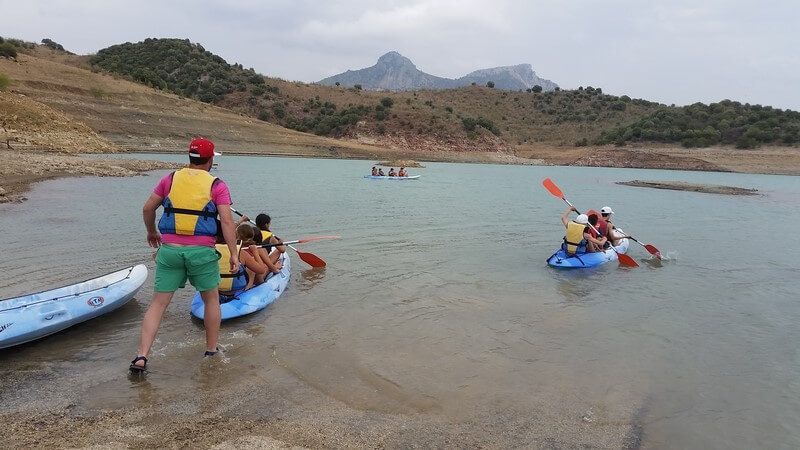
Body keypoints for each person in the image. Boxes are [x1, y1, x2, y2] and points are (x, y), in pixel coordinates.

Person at [131, 137, 239, 373]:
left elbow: (148, 208)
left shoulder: (170, 179)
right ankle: (211, 350)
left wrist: (152, 232)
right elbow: (228, 222)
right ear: (210, 160)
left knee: (158, 304)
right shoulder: (217, 185)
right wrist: (233, 254)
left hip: (170, 251)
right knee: (211, 299)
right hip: (202, 253)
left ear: (190, 158)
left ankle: (141, 356)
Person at [218, 224, 268, 293]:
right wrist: (255, 253)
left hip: (218, 287)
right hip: (236, 288)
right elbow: (261, 270)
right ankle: (249, 287)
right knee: (251, 269)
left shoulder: (213, 250)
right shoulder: (241, 253)